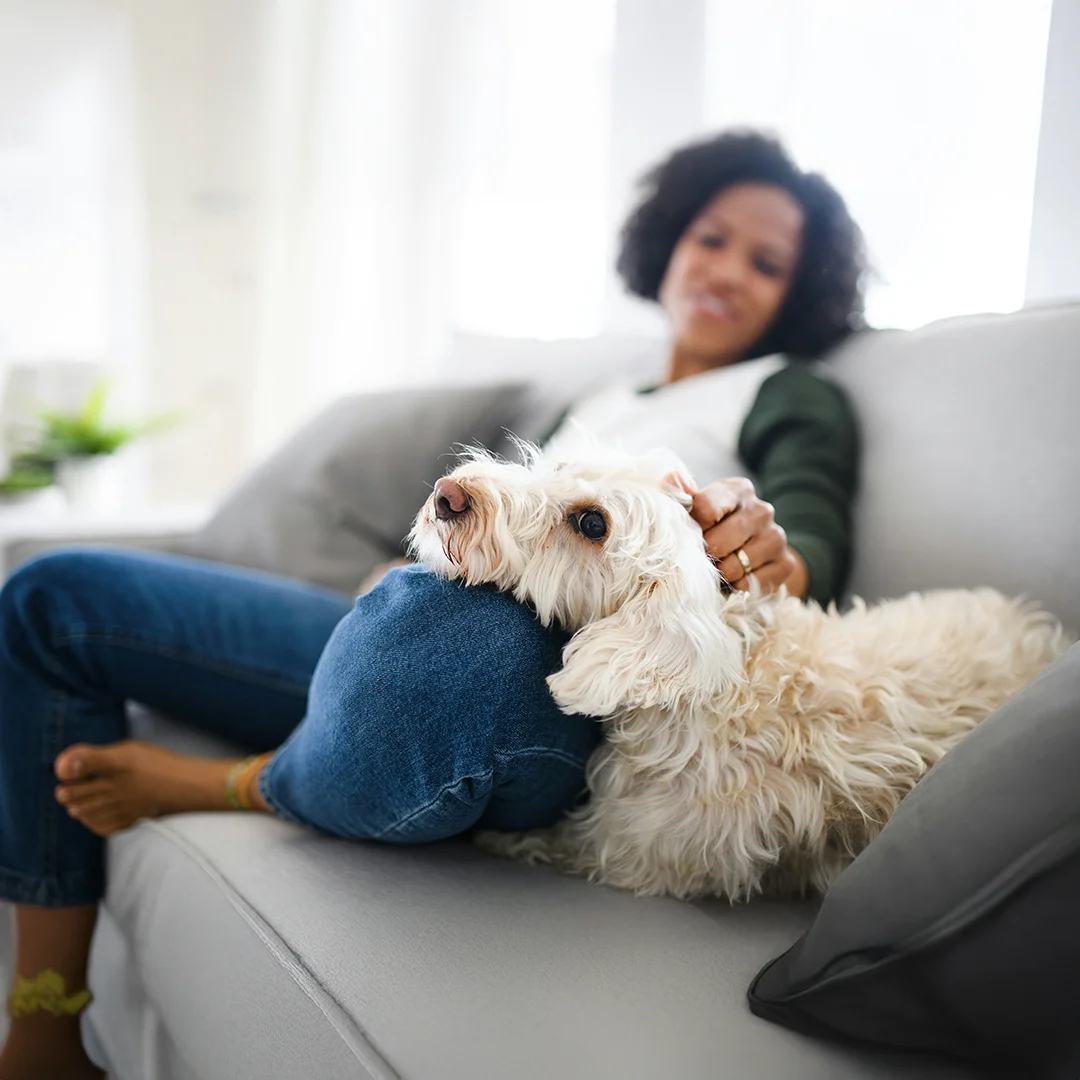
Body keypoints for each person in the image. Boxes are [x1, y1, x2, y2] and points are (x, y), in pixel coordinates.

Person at [0, 130, 866, 1079]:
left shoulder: (789, 392)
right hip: (405, 618)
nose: (728, 271)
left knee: (465, 644)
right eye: (712, 238)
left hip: (556, 686)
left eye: (767, 261)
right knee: (51, 593)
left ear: (799, 291)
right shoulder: (605, 394)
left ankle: (239, 781)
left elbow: (806, 537)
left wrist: (763, 545)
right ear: (669, 242)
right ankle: (44, 1023)